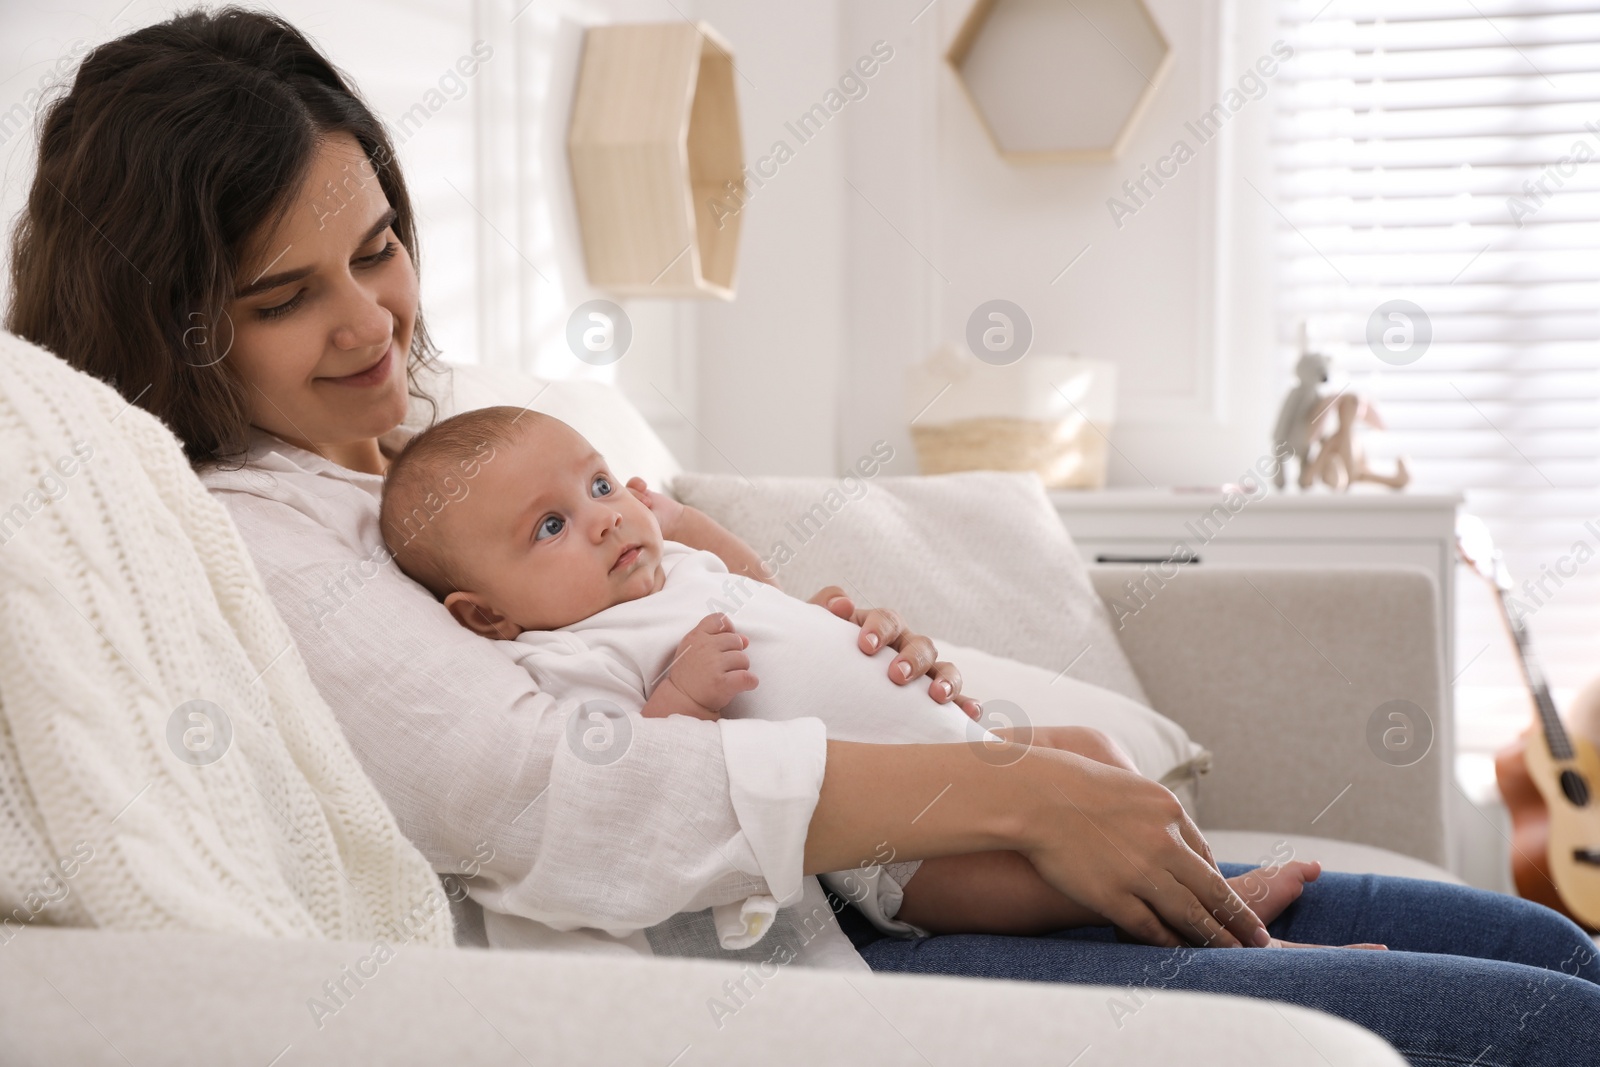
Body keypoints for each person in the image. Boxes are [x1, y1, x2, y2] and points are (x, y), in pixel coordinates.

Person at [6, 8, 1596, 1062]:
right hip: (818, 952)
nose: (369, 324)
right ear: (170, 323)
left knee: (1539, 946)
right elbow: (548, 788)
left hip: (923, 860)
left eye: (379, 251)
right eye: (286, 297)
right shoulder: (253, 534)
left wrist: (837, 642)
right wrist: (1015, 783)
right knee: (1526, 1024)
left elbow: (698, 612)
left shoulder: (438, 452)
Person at [377, 405, 1333, 948]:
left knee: (1097, 754)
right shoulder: (567, 652)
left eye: (596, 485)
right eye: (549, 527)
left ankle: (1208, 882)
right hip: (898, 852)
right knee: (1056, 890)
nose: (601, 519)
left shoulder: (670, 571)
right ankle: (1237, 939)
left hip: (967, 751)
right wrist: (681, 698)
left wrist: (824, 616)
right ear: (486, 613)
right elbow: (628, 779)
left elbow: (761, 594)